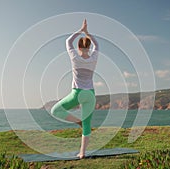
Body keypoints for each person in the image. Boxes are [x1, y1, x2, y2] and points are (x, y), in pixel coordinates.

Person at [51, 19, 99, 159]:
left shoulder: (74, 57)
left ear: (78, 48)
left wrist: (80, 30)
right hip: (90, 94)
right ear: (89, 47)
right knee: (87, 125)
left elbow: (68, 41)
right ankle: (82, 153)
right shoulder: (94, 57)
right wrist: (87, 33)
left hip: (77, 94)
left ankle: (77, 121)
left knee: (56, 110)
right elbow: (97, 44)